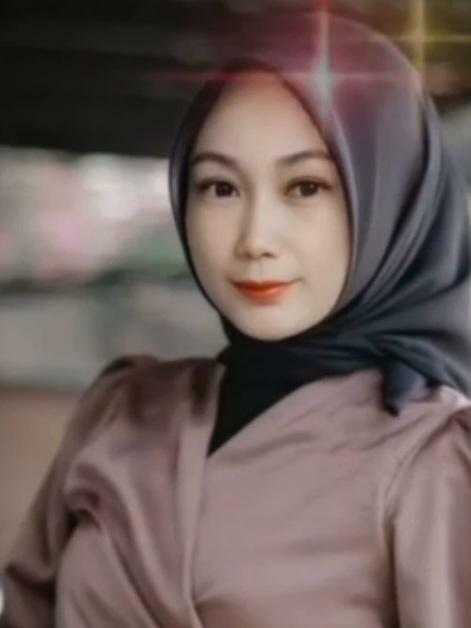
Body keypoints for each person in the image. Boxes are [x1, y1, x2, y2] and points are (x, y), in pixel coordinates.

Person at [2, 12, 471, 628]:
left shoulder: (434, 459)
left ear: (392, 201)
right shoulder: (121, 408)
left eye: (306, 187)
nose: (255, 239)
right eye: (221, 188)